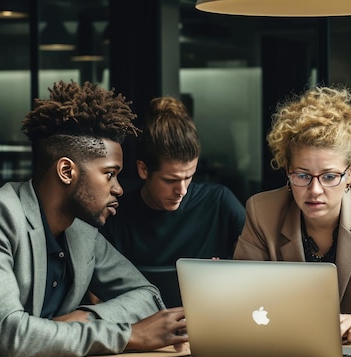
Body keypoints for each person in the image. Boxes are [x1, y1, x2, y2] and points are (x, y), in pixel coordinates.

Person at [0, 81, 188, 357]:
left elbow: (146, 297)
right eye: (109, 174)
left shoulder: (82, 232)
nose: (119, 188)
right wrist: (127, 334)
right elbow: (9, 336)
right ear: (67, 171)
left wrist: (87, 317)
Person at [233, 85, 351, 340]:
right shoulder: (262, 211)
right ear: (287, 171)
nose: (315, 190)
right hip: (285, 347)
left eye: (330, 176)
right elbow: (241, 299)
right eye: (301, 175)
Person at [100, 96, 246, 267]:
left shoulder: (219, 202)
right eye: (171, 180)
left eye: (188, 177)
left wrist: (229, 269)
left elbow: (255, 262)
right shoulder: (117, 217)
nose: (182, 190)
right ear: (143, 170)